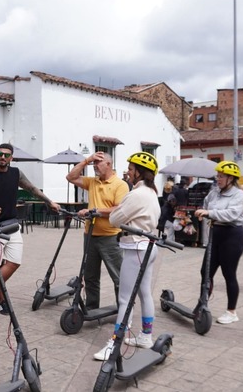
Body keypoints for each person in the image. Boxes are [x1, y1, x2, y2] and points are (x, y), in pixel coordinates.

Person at [0, 143, 60, 315]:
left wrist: (49, 201)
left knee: (14, 262)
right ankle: (2, 302)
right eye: (0, 154)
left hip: (12, 225)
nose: (3, 157)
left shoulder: (16, 173)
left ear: (11, 158)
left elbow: (32, 188)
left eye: (7, 155)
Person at [93, 152, 161, 360]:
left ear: (140, 172)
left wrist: (120, 215)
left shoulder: (136, 194)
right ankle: (146, 336)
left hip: (136, 248)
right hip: (148, 247)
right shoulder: (151, 192)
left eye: (131, 169)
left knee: (125, 299)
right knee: (144, 293)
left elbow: (114, 219)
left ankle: (115, 343)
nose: (128, 172)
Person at [66, 151, 129, 310]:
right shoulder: (93, 182)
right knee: (90, 277)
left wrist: (93, 211)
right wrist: (86, 160)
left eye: (97, 163)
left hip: (110, 237)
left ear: (108, 164)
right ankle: (91, 308)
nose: (94, 166)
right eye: (93, 163)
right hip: (90, 236)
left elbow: (118, 209)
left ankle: (124, 309)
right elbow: (71, 177)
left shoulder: (120, 185)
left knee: (118, 277)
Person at [193, 161, 243, 324]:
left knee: (229, 273)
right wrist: (202, 212)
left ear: (231, 178)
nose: (218, 179)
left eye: (222, 176)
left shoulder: (239, 195)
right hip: (215, 233)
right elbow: (206, 205)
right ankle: (202, 304)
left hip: (232, 235)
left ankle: (231, 311)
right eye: (218, 176)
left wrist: (209, 213)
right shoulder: (214, 192)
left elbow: (231, 214)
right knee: (206, 272)